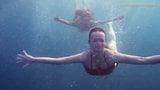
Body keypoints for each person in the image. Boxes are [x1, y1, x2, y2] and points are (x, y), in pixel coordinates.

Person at [16, 27, 160, 76]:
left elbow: (143, 60)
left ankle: (110, 28)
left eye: (101, 40)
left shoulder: (112, 57)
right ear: (89, 42)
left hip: (111, 67)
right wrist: (33, 59)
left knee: (114, 44)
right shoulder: (83, 57)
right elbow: (58, 61)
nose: (98, 43)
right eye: (95, 40)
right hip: (95, 68)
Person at [54, 8, 125, 32]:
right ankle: (83, 9)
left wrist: (58, 19)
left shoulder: (91, 23)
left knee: (81, 11)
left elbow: (105, 21)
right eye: (85, 18)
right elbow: (68, 23)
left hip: (84, 26)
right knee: (78, 12)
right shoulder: (78, 23)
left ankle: (84, 9)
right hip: (82, 25)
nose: (86, 19)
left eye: (87, 18)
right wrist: (59, 20)